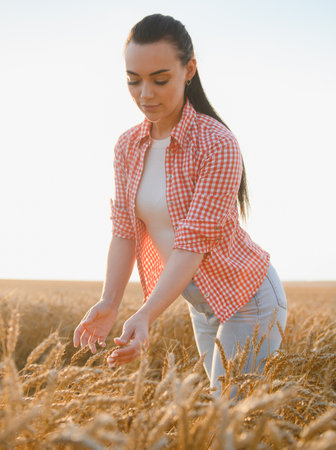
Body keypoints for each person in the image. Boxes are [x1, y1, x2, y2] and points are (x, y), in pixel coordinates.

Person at [73, 13, 287, 399]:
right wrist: (110, 301)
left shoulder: (216, 143)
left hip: (250, 297)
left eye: (160, 79)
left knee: (230, 415)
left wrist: (145, 315)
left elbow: (192, 243)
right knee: (227, 415)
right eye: (133, 80)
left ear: (189, 69)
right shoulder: (126, 146)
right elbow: (124, 232)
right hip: (200, 303)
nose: (145, 94)